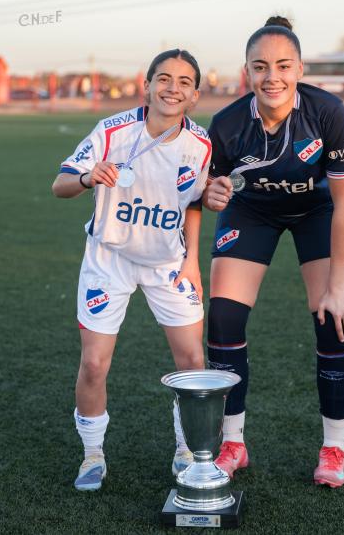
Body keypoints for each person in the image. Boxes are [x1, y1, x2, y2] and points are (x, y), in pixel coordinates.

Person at [203, 16, 344, 488]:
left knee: (334, 316)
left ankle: (333, 447)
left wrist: (340, 286)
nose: (272, 77)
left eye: (284, 66)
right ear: (247, 71)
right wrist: (213, 193)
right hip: (253, 211)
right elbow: (212, 188)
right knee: (223, 319)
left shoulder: (327, 112)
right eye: (261, 67)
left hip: (317, 210)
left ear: (300, 69)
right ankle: (233, 442)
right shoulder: (227, 124)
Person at [52, 49, 211, 491]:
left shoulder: (200, 144)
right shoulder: (112, 131)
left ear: (195, 95)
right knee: (94, 364)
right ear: (147, 86)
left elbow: (195, 202)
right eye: (164, 78)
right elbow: (60, 185)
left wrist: (193, 262)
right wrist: (88, 178)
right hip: (109, 259)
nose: (172, 88)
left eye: (184, 82)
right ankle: (92, 455)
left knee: (192, 362)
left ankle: (186, 450)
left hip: (168, 264)